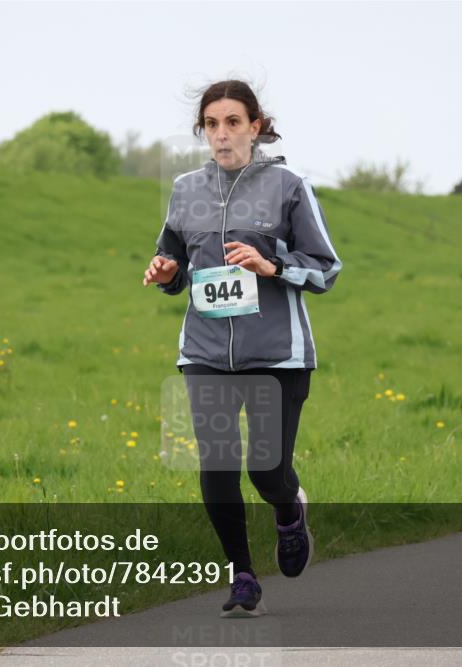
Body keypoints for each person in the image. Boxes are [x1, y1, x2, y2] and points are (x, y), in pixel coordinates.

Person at [142, 79, 342, 617]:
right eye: (212, 124)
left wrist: (271, 266)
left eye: (233, 122)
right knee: (217, 464)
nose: (222, 134)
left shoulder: (289, 186)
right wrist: (165, 273)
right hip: (206, 353)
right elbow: (174, 262)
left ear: (255, 126)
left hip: (277, 354)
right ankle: (243, 575)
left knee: (265, 468)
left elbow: (326, 271)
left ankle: (288, 511)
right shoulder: (186, 190)